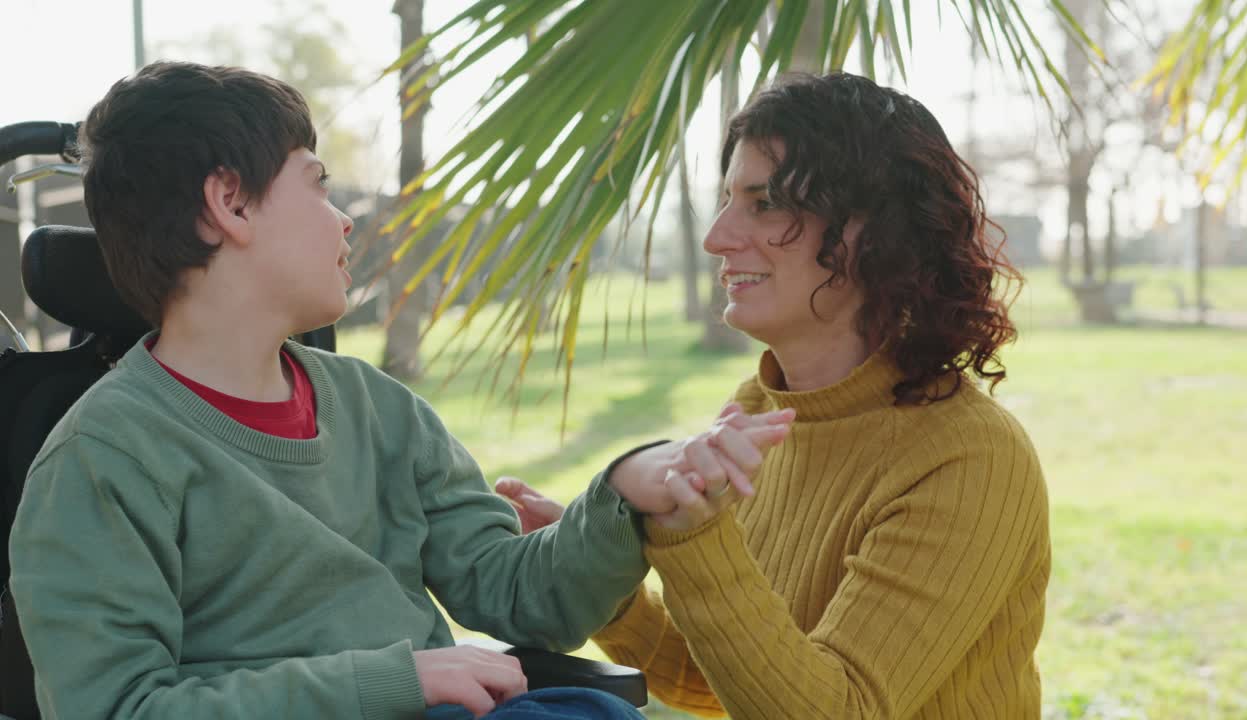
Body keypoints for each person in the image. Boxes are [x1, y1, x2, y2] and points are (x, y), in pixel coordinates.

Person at [6, 62, 796, 720]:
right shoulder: (102, 460)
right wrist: (398, 680)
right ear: (230, 203)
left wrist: (625, 491)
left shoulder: (378, 411)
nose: (344, 220)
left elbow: (522, 598)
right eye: (316, 187)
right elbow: (117, 709)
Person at [496, 72, 1050, 719]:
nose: (718, 238)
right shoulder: (762, 410)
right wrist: (600, 574)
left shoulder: (968, 458)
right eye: (728, 200)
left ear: (875, 232)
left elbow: (835, 709)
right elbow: (724, 679)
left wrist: (692, 535)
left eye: (765, 203)